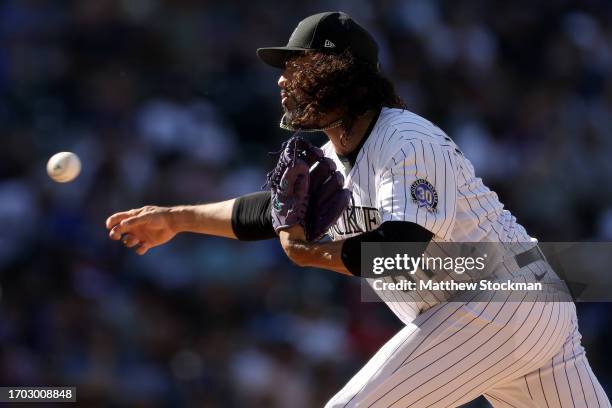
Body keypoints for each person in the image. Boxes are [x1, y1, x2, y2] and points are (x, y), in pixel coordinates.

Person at [106, 11, 610, 407]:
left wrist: (312, 253)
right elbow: (269, 213)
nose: (283, 80)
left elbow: (403, 246)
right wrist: (176, 218)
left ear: (338, 72)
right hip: (513, 311)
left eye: (297, 65)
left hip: (499, 300)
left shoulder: (404, 139)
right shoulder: (337, 159)